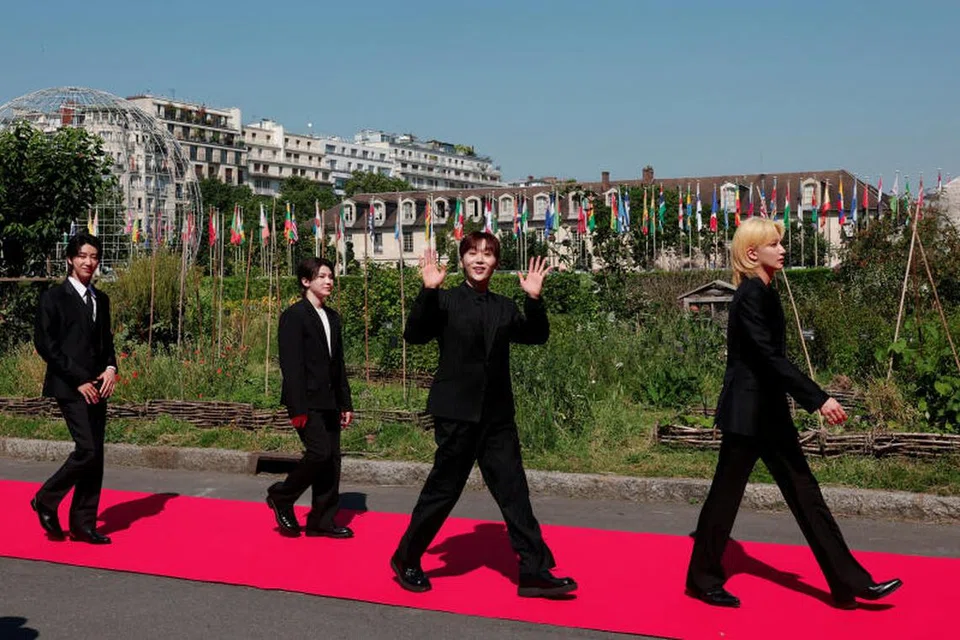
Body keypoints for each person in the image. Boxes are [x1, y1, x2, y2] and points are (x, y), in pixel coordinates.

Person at [685, 217, 902, 609]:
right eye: (774, 244)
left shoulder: (765, 290)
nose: (782, 249)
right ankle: (701, 579)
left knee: (806, 494)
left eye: (780, 243)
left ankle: (847, 582)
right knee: (725, 497)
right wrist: (819, 398)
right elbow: (768, 358)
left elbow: (771, 359)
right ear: (753, 253)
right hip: (748, 414)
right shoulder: (751, 294)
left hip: (768, 411)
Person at [390, 232, 577, 599]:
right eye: (473, 253)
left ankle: (534, 571)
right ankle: (406, 557)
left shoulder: (505, 307)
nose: (480, 260)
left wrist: (534, 299)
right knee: (443, 491)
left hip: (497, 418)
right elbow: (413, 334)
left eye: (488, 254)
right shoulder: (444, 301)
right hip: (456, 414)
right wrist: (427, 291)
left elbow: (536, 336)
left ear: (496, 263)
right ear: (461, 260)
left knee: (514, 492)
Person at [32, 232, 118, 544]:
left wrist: (111, 368)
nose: (89, 262)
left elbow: (106, 343)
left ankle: (83, 524)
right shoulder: (53, 298)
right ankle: (46, 498)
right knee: (87, 449)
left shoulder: (101, 299)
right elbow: (46, 345)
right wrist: (78, 379)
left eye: (94, 257)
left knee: (96, 455)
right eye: (83, 255)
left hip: (99, 386)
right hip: (69, 385)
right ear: (70, 259)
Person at [266, 257, 354, 538]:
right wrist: (297, 407)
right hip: (307, 400)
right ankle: (282, 495)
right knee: (319, 453)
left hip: (330, 401)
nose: (329, 281)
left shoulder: (333, 317)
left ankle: (322, 520)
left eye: (331, 276)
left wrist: (345, 402)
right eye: (322, 277)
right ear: (306, 281)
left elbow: (337, 364)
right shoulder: (294, 316)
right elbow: (291, 366)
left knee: (332, 460)